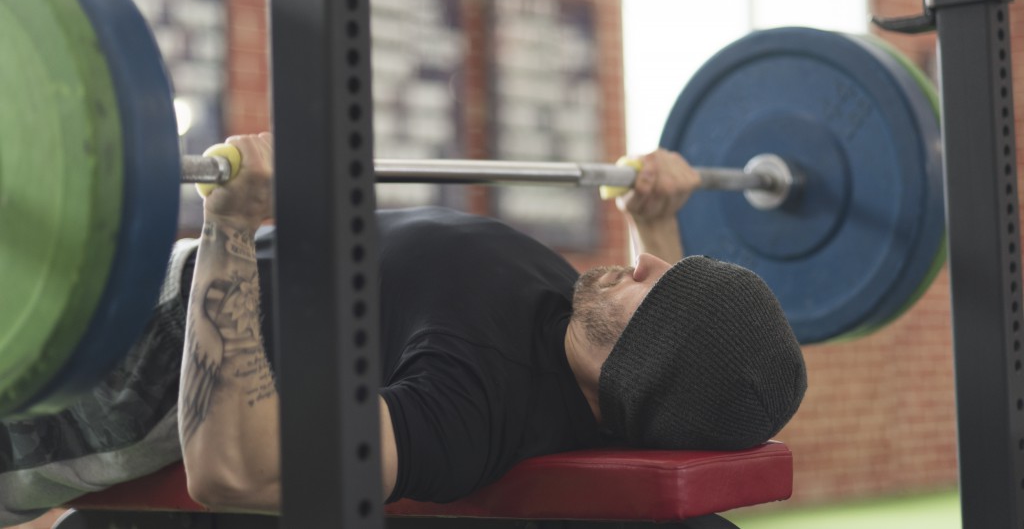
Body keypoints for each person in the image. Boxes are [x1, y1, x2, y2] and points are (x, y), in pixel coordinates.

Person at [0, 137, 806, 525]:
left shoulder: (471, 408)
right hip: (142, 273)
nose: (640, 265)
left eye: (654, 287)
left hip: (130, 362)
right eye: (664, 262)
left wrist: (235, 225)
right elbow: (670, 354)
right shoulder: (589, 336)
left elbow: (231, 469)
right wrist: (653, 216)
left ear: (641, 364)